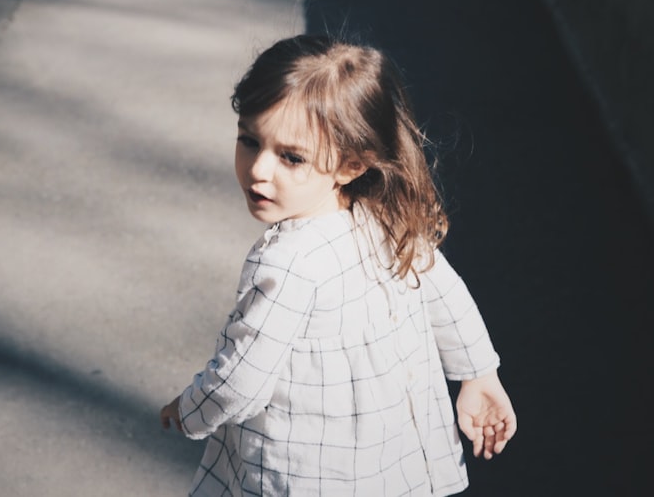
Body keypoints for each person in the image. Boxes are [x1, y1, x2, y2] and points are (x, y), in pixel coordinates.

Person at [160, 34, 516, 495]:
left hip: (307, 470)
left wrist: (190, 410)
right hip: (388, 463)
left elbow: (242, 378)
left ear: (350, 165)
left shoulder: (286, 261)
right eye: (249, 140)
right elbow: (447, 296)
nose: (259, 170)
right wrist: (478, 374)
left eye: (291, 157)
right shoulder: (383, 219)